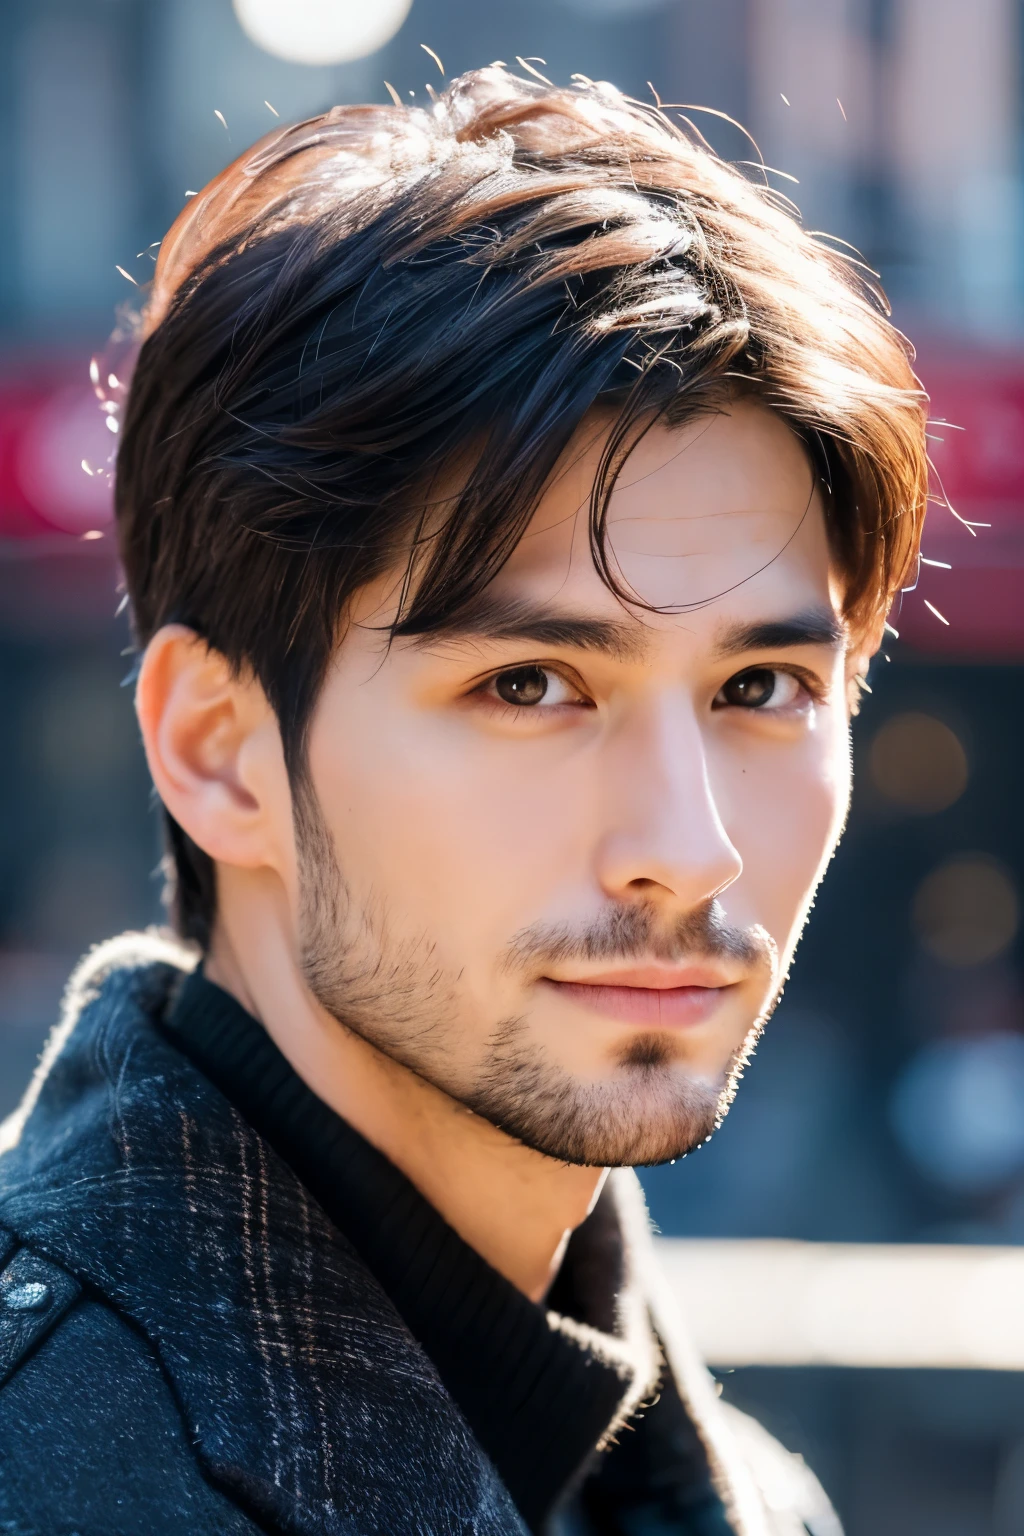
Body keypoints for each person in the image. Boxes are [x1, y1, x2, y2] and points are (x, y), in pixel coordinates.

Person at [0, 67, 926, 1535]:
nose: (691, 851)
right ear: (220, 749)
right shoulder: (57, 1466)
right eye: (532, 687)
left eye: (761, 692)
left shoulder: (742, 1492)